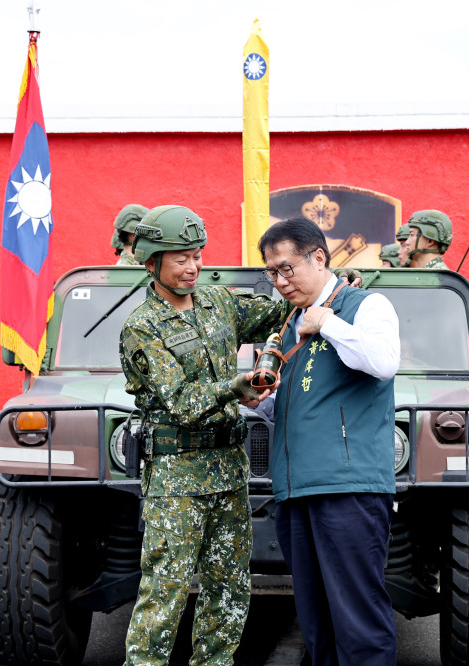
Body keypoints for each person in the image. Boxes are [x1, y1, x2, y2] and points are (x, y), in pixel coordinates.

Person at [119, 205, 292, 666]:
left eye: (197, 256)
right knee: (165, 591)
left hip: (228, 473)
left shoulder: (219, 303)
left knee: (229, 588)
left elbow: (283, 313)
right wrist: (237, 386)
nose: (193, 266)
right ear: (153, 262)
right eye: (181, 258)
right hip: (177, 480)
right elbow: (180, 400)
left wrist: (330, 286)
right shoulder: (141, 327)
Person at [257, 217, 400, 666]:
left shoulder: (365, 305)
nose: (279, 282)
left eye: (286, 269)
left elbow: (383, 362)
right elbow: (291, 403)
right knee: (316, 625)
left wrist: (329, 323)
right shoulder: (287, 325)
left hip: (347, 487)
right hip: (295, 491)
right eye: (271, 273)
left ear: (319, 258)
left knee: (358, 622)